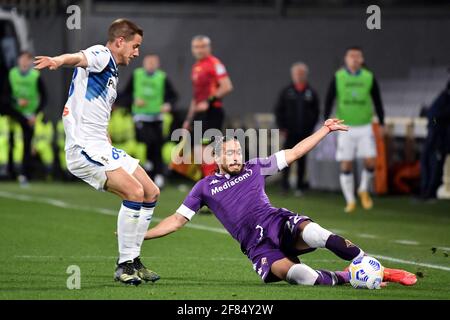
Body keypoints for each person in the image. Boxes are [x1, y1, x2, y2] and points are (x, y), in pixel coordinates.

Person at [143, 119, 417, 287]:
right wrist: (143, 235)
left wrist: (325, 130)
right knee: (303, 278)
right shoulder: (204, 187)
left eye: (239, 151)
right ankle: (348, 275)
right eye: (230, 153)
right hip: (256, 245)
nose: (237, 156)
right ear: (217, 158)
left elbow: (295, 152)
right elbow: (177, 220)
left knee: (317, 233)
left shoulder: (255, 167)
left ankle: (372, 266)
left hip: (278, 222)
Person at [34, 19, 160, 286]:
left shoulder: (111, 72)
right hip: (83, 149)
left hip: (102, 146)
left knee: (151, 192)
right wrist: (57, 60)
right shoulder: (102, 55)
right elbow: (79, 57)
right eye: (135, 46)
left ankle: (134, 259)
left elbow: (98, 112)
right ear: (119, 42)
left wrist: (109, 142)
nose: (137, 52)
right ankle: (123, 265)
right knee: (134, 192)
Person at [324, 46, 385, 213]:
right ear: (346, 59)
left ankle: (363, 189)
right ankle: (350, 200)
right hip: (345, 126)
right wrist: (326, 120)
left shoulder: (368, 77)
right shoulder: (339, 77)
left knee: (370, 161)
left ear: (362, 59)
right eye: (352, 56)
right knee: (346, 164)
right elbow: (329, 99)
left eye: (358, 56)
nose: (355, 59)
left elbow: (377, 100)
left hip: (365, 125)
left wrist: (381, 123)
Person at [118, 53, 178, 188]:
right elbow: (124, 94)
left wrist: (168, 104)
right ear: (144, 64)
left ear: (157, 64)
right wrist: (134, 100)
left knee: (157, 146)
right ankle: (148, 173)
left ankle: (157, 175)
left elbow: (173, 96)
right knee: (146, 144)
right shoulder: (137, 75)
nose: (151, 65)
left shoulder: (162, 77)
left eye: (153, 62)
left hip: (157, 118)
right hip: (141, 117)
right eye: (148, 62)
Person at [183, 35, 233, 177]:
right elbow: (197, 97)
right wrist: (189, 118)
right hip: (200, 114)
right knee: (200, 151)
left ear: (209, 48)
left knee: (207, 150)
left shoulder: (214, 63)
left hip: (212, 112)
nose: (200, 50)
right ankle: (210, 182)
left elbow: (227, 86)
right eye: (196, 47)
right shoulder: (196, 67)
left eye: (203, 46)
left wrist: (209, 101)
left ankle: (215, 183)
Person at [275, 62, 319, 195]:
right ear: (292, 75)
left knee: (302, 160)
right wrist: (282, 127)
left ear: (305, 75)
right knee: (286, 158)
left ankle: (300, 186)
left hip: (305, 132)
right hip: (290, 132)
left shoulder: (311, 92)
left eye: (301, 74)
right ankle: (284, 185)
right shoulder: (287, 92)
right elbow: (278, 110)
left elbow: (316, 112)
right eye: (297, 74)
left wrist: (311, 128)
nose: (299, 76)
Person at [6, 51, 47, 185]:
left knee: (28, 145)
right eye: (22, 59)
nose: (24, 62)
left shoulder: (35, 76)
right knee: (11, 143)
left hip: (31, 116)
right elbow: (5, 95)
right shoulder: (12, 74)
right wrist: (16, 102)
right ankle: (10, 171)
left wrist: (36, 113)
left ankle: (25, 174)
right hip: (15, 114)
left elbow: (44, 96)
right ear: (18, 60)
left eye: (27, 60)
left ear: (30, 62)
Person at [420, 79, 450, 199]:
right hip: (434, 133)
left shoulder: (445, 98)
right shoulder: (444, 97)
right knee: (426, 160)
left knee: (434, 163)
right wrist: (432, 118)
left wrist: (434, 119)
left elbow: (437, 116)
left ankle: (430, 191)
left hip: (439, 136)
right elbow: (434, 115)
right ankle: (425, 189)